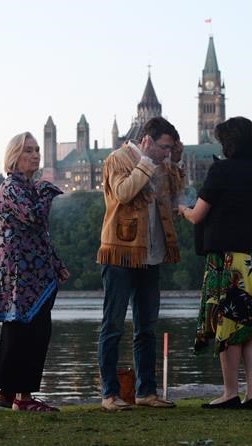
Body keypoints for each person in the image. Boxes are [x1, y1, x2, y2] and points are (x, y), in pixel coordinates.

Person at [180, 116, 252, 409]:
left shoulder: (220, 170)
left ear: (229, 143)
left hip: (229, 258)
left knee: (230, 322)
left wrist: (182, 210)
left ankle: (230, 393)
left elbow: (198, 215)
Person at [97, 117, 184, 411]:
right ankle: (110, 394)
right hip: (121, 253)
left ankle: (146, 391)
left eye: (170, 148)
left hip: (152, 254)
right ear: (147, 140)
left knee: (146, 328)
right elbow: (123, 193)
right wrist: (146, 161)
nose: (166, 153)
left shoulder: (163, 164)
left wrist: (175, 163)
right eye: (164, 147)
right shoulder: (117, 159)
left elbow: (176, 198)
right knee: (113, 326)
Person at [0, 131, 70, 412]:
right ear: (14, 157)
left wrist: (56, 264)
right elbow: (35, 217)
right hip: (19, 272)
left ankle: (7, 392)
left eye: (36, 150)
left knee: (23, 329)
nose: (35, 155)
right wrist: (47, 191)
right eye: (28, 151)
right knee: (30, 331)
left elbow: (39, 234)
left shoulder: (28, 187)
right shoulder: (11, 187)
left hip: (34, 270)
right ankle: (23, 397)